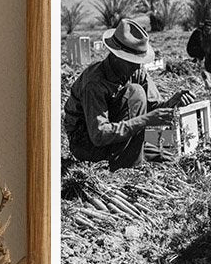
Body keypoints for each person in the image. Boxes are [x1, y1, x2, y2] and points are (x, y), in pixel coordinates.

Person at [63, 19, 193, 171]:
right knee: (135, 92)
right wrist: (145, 120)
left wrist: (172, 103)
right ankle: (127, 167)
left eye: (139, 61)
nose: (137, 66)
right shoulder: (95, 83)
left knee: (167, 154)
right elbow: (98, 135)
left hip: (118, 133)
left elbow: (153, 108)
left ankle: (135, 153)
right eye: (132, 61)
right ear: (116, 56)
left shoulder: (135, 71)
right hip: (86, 143)